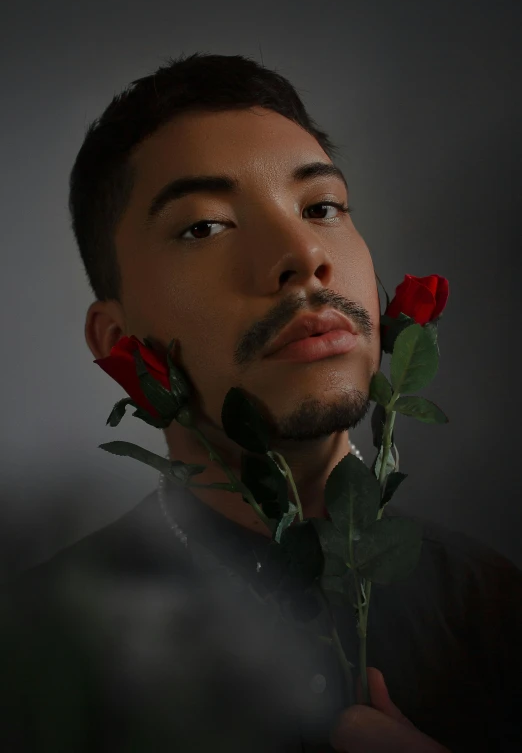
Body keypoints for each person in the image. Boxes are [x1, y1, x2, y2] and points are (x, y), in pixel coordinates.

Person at [1, 51, 520, 752]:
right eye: (205, 226)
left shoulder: (494, 608)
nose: (303, 252)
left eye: (322, 207)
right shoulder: (28, 646)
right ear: (119, 339)